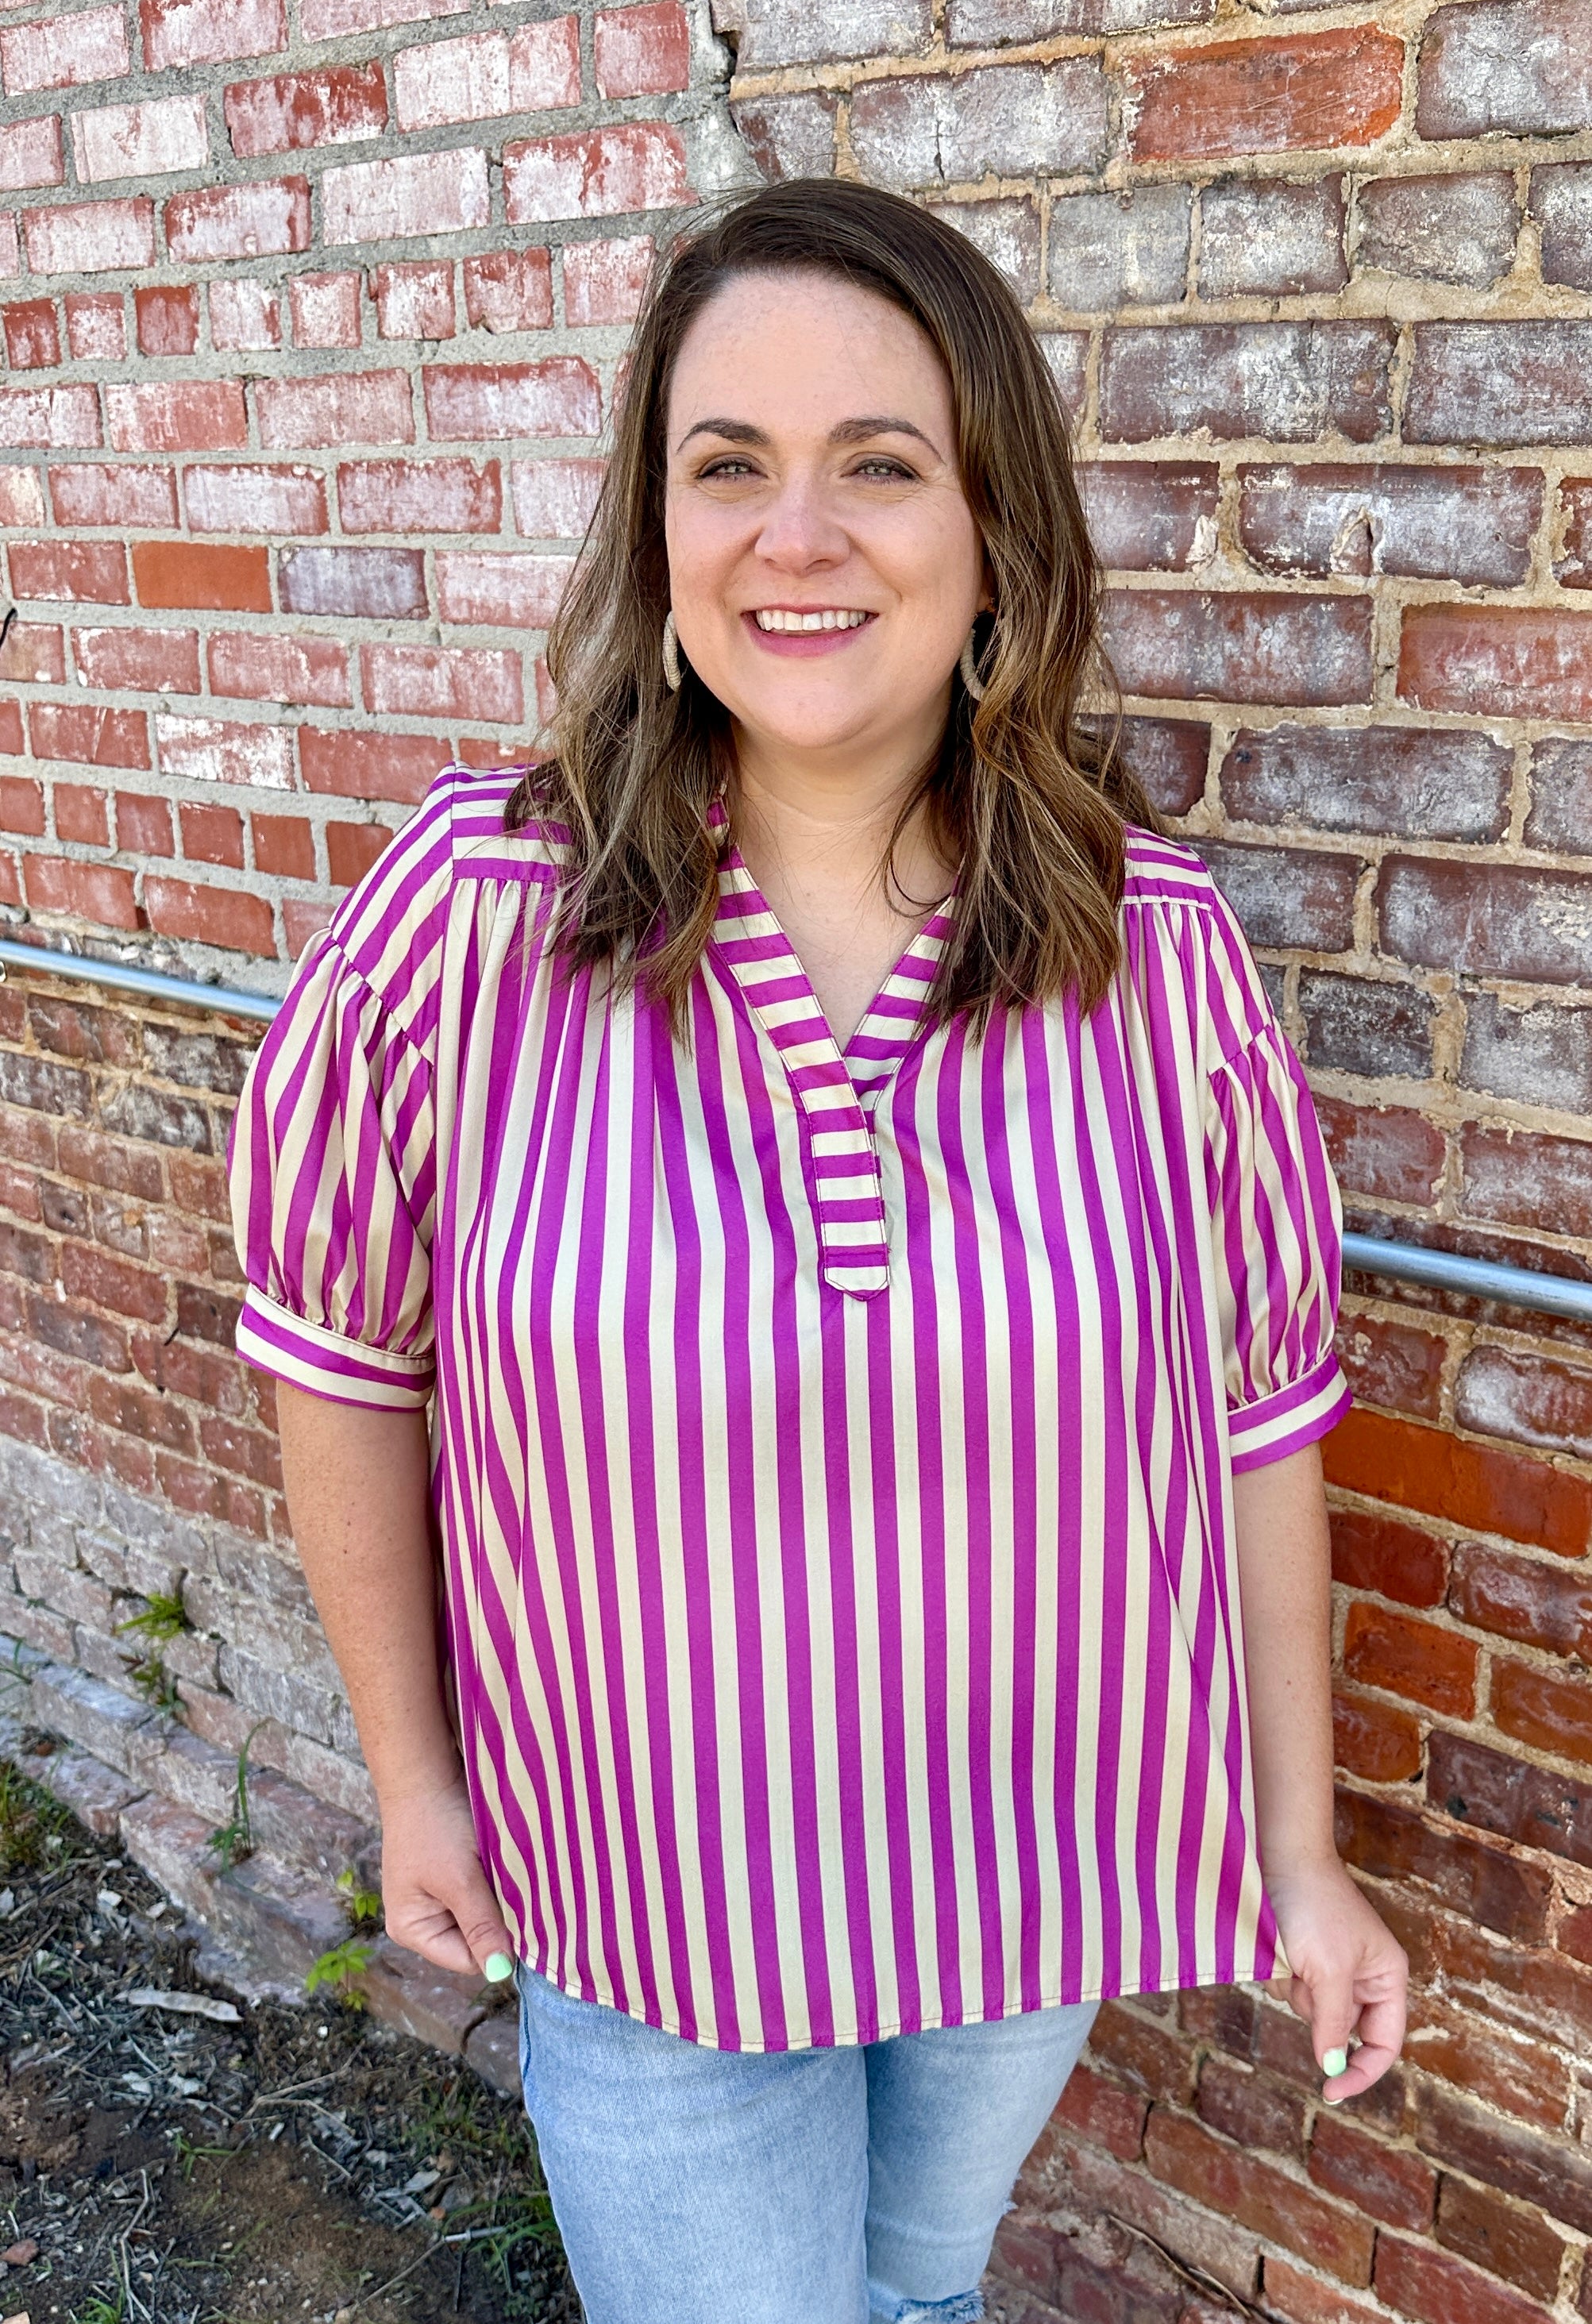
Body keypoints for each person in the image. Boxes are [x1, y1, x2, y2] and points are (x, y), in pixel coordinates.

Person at [228, 178, 1408, 2324]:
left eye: (878, 463)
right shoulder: (472, 922)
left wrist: (1303, 1858)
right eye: (726, 468)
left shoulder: (1160, 959)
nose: (797, 534)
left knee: (919, 2294)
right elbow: (340, 1357)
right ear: (653, 533)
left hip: (1036, 1867)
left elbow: (1262, 1425)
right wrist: (414, 1775)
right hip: (660, 1906)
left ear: (992, 538)